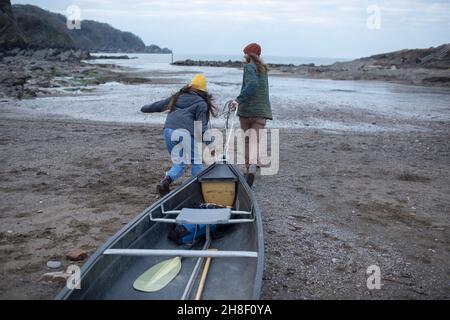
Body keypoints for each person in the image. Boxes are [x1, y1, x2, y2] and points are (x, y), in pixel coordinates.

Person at [141, 74, 217, 196]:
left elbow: (159, 105)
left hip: (168, 131)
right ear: (203, 91)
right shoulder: (201, 103)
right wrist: (211, 145)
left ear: (190, 86)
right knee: (196, 161)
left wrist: (144, 108)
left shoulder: (178, 96)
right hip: (184, 134)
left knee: (179, 163)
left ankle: (165, 182)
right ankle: (197, 188)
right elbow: (201, 128)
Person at [230, 43, 272, 186]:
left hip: (247, 111)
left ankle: (249, 168)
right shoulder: (263, 69)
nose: (243, 55)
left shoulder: (249, 67)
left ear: (249, 54)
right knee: (255, 141)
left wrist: (238, 100)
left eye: (245, 53)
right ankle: (254, 166)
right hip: (261, 112)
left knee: (248, 140)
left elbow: (252, 84)